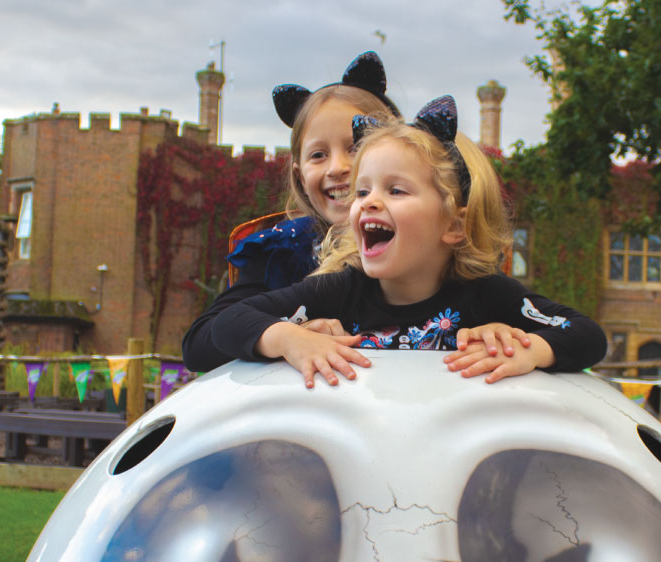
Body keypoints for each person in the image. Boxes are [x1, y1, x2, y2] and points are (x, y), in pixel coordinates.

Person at [204, 96, 607, 388]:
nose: (369, 202)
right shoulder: (338, 290)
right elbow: (228, 322)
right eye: (362, 193)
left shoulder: (487, 297)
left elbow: (587, 335)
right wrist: (289, 339)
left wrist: (532, 348)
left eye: (396, 191)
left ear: (453, 224)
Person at [179, 52, 400, 373]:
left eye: (355, 147)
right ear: (298, 174)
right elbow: (200, 344)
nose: (337, 168)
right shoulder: (279, 251)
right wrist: (284, 335)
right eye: (319, 154)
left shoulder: (426, 246)